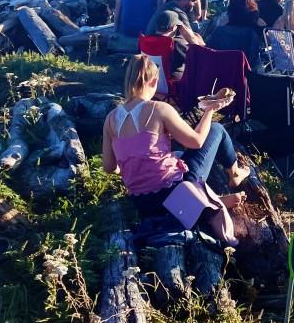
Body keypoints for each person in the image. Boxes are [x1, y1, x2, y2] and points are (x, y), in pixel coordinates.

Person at [101, 55, 248, 217]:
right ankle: (234, 175)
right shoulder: (159, 109)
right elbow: (196, 141)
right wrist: (210, 110)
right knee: (216, 129)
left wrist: (136, 165)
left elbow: (109, 166)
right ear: (155, 82)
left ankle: (210, 199)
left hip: (142, 203)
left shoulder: (111, 119)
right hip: (175, 194)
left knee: (178, 156)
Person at [147, 0, 206, 80]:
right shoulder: (177, 12)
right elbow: (191, 38)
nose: (195, 3)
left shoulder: (166, 6)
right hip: (172, 77)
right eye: (193, 0)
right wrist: (202, 45)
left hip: (153, 65)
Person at [207, 0, 267, 73]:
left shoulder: (219, 32)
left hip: (219, 75)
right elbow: (254, 60)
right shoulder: (252, 34)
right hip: (244, 77)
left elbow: (208, 52)